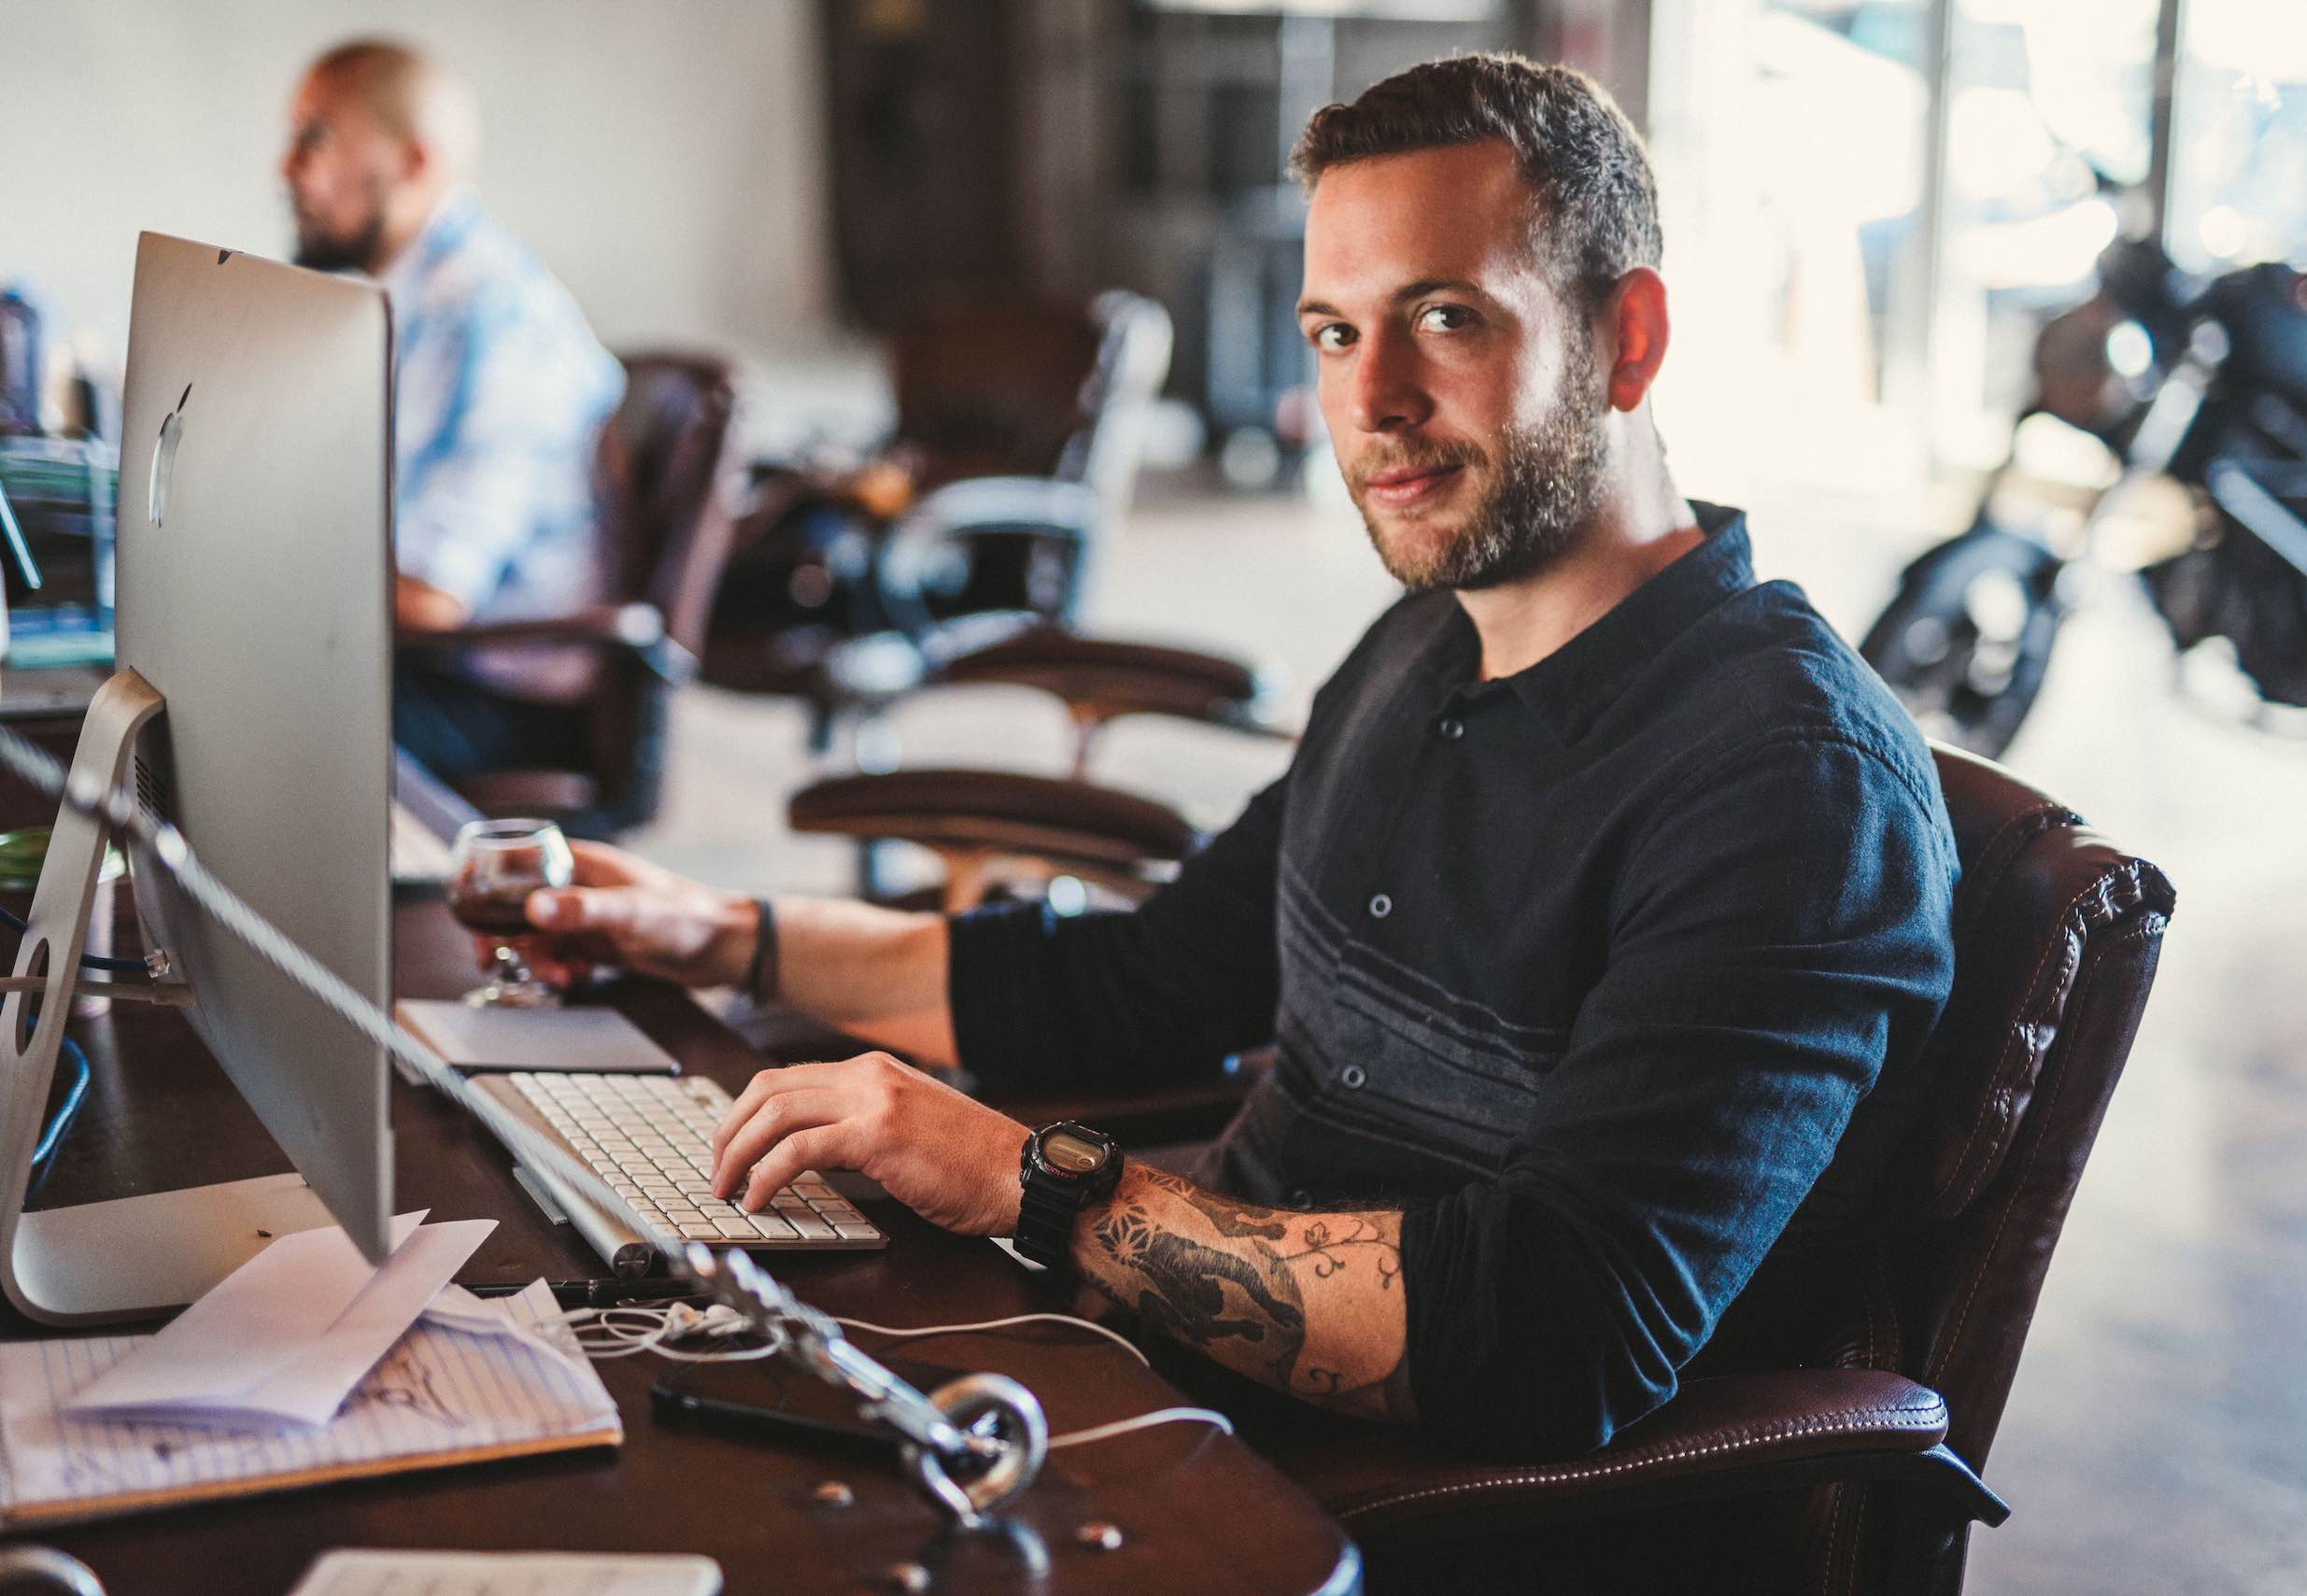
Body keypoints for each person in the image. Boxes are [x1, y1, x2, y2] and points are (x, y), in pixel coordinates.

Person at [517, 55, 1960, 1458]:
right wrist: (714, 933)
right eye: (1334, 332)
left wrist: (1022, 1182)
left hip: (1372, 1506)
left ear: (1626, 340)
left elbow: (1551, 1336)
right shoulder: (1429, 643)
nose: (1370, 398)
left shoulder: (1792, 789)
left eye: (1445, 317)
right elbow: (1144, 983)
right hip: (1152, 1375)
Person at [281, 38, 624, 782]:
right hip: (438, 666)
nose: (289, 169)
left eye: (318, 136)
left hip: (501, 698)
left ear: (414, 162)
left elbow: (434, 594)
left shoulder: (483, 314)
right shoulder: (405, 302)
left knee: (230, 723)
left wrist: (256, 573)